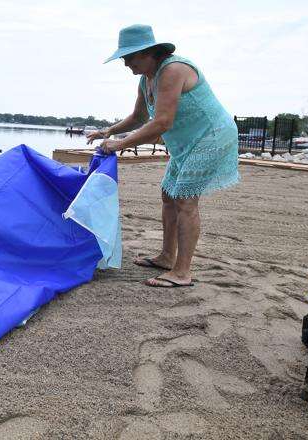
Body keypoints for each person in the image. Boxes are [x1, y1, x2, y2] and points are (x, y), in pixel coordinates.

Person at [87, 24, 239, 288]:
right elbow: (139, 117)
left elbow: (162, 123)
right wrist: (110, 131)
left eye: (129, 58)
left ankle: (182, 272)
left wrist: (118, 145)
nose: (125, 64)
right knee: (168, 194)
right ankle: (167, 257)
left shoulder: (173, 70)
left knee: (185, 200)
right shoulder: (146, 78)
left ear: (148, 53)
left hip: (211, 136)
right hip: (187, 141)